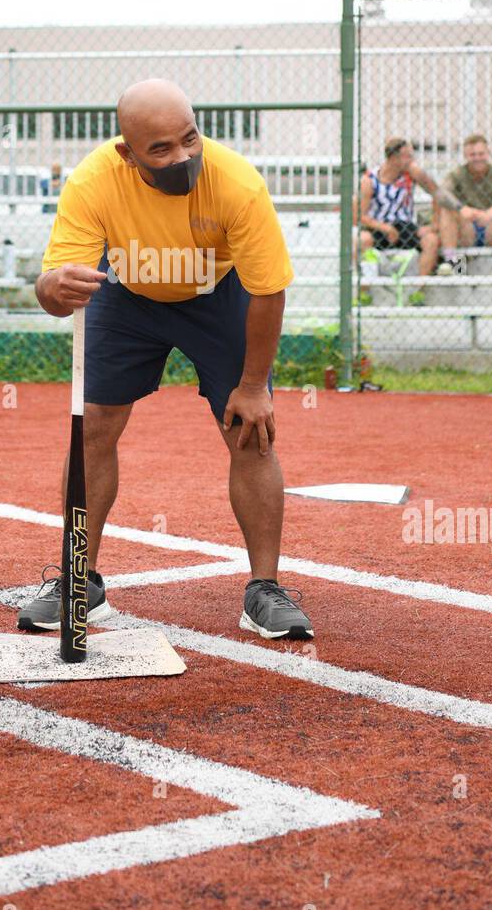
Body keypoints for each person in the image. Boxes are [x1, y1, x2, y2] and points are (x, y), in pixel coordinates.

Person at [19, 77, 312, 641]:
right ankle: (79, 578)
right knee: (94, 429)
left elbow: (269, 290)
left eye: (189, 138)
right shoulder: (92, 182)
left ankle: (264, 590)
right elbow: (53, 291)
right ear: (128, 154)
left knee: (250, 429)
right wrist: (54, 288)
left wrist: (253, 386)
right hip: (129, 297)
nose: (182, 156)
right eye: (161, 149)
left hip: (218, 296)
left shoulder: (237, 184)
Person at [356, 137, 446, 281]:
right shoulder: (369, 180)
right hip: (379, 228)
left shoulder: (410, 174)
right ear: (394, 158)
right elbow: (360, 216)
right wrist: (385, 228)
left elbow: (436, 193)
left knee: (431, 240)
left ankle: (418, 291)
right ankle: (365, 290)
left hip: (406, 228)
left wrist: (434, 225)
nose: (412, 161)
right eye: (407, 156)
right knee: (363, 239)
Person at [437, 134, 492, 276]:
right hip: (467, 229)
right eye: (472, 154)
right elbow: (441, 193)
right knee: (447, 210)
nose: (477, 158)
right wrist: (462, 209)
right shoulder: (457, 174)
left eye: (481, 154)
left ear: (487, 154)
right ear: (465, 155)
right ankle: (451, 261)